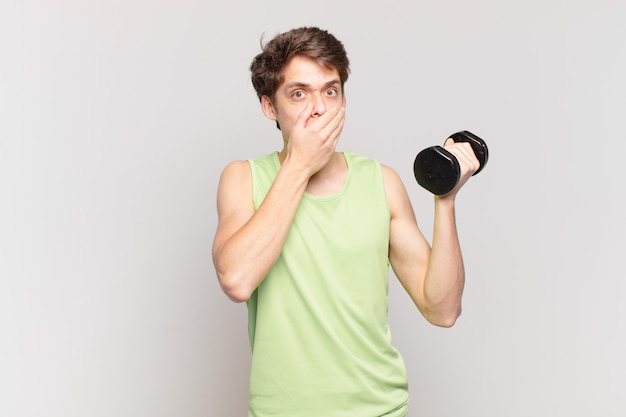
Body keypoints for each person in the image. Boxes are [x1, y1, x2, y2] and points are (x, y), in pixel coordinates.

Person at [212, 26, 479, 417]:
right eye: (299, 93)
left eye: (330, 90)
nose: (318, 108)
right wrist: (299, 165)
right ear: (270, 106)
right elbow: (236, 279)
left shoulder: (381, 182)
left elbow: (442, 309)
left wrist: (446, 200)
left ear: (343, 99)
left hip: (379, 409)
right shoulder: (242, 178)